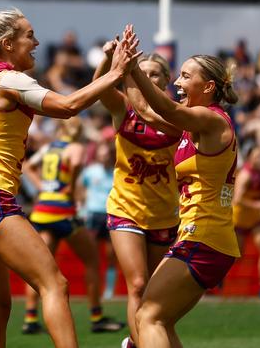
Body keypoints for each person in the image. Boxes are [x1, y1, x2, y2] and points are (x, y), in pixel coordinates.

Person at [0, 0, 139, 348]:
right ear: (8, 44)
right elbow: (69, 106)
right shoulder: (10, 79)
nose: (37, 43)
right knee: (54, 285)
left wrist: (108, 66)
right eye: (30, 35)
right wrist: (118, 72)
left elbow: (72, 102)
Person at [122, 25, 240, 348]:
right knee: (159, 320)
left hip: (204, 236)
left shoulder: (213, 120)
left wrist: (134, 67)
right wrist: (125, 71)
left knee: (148, 318)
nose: (177, 82)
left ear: (209, 86)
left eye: (186, 76)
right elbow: (146, 112)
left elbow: (166, 108)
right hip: (200, 236)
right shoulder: (193, 125)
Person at [93, 42, 182, 347]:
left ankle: (134, 341)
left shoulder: (177, 116)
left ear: (166, 80)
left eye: (155, 74)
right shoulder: (124, 109)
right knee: (138, 284)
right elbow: (99, 89)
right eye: (141, 72)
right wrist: (108, 59)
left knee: (155, 295)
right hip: (125, 209)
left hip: (164, 215)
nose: (148, 78)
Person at [20, 118, 124, 335]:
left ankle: (30, 318)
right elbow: (76, 162)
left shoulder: (50, 147)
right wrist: (69, 185)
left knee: (39, 268)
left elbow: (27, 166)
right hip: (63, 211)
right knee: (92, 260)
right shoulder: (75, 147)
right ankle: (97, 316)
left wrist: (42, 187)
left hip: (43, 210)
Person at [232, 147, 260, 299]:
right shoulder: (245, 175)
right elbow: (237, 199)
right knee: (237, 256)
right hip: (239, 221)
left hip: (256, 220)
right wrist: (258, 205)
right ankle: (216, 280)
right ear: (250, 158)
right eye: (257, 156)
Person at [77, 140, 118, 300]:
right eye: (101, 154)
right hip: (93, 214)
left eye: (106, 154)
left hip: (110, 214)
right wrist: (81, 207)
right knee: (91, 254)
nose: (103, 157)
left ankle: (109, 291)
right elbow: (80, 188)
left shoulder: (116, 172)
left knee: (111, 254)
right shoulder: (90, 171)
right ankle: (93, 289)